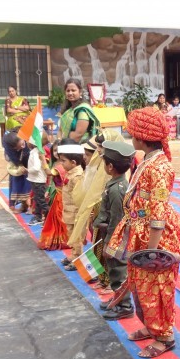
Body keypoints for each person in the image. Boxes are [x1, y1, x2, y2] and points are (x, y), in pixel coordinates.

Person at [104, 106, 180, 359]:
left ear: (141, 137)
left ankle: (165, 336)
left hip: (156, 240)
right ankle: (152, 327)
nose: (130, 136)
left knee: (156, 288)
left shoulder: (158, 168)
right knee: (141, 286)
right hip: (142, 235)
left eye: (132, 132)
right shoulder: (149, 162)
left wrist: (152, 251)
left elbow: (158, 211)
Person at [65, 129, 126, 271]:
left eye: (100, 147)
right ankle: (97, 272)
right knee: (97, 241)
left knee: (106, 243)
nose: (98, 150)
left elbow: (113, 204)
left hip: (107, 216)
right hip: (98, 213)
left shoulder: (113, 170)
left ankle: (105, 274)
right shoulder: (98, 166)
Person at [96, 141, 136, 320]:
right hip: (112, 235)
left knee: (118, 271)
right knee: (113, 270)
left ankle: (124, 306)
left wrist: (110, 244)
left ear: (110, 167)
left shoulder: (117, 190)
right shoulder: (116, 184)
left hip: (115, 238)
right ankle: (117, 299)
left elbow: (116, 221)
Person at [57, 142, 86, 268]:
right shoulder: (71, 173)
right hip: (69, 211)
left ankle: (77, 258)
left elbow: (80, 197)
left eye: (63, 161)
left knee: (76, 237)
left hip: (75, 213)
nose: (61, 164)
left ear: (73, 162)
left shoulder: (77, 176)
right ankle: (74, 255)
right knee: (72, 235)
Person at [38, 140, 70, 250]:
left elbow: (49, 173)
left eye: (59, 150)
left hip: (61, 196)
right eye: (55, 150)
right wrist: (48, 190)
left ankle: (62, 239)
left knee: (59, 218)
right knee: (57, 218)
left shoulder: (60, 166)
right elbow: (52, 180)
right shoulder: (59, 163)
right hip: (58, 193)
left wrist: (43, 160)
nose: (56, 153)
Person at [57, 78, 100, 144]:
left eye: (73, 90)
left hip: (79, 146)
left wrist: (63, 143)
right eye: (68, 91)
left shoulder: (82, 110)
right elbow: (60, 130)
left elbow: (78, 135)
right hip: (64, 144)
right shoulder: (68, 109)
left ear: (80, 92)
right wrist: (59, 141)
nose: (70, 93)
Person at [4, 131, 32, 214]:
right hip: (18, 163)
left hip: (31, 162)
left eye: (23, 144)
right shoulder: (8, 147)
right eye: (18, 148)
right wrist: (19, 166)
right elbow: (12, 158)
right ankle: (23, 205)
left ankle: (32, 207)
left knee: (31, 184)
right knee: (17, 182)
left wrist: (29, 169)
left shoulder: (28, 137)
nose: (22, 147)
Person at [26, 134, 50, 226]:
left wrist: (27, 170)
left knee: (41, 200)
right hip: (37, 180)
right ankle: (38, 216)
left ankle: (50, 217)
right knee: (38, 199)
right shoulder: (38, 151)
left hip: (38, 181)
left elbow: (36, 168)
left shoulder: (35, 152)